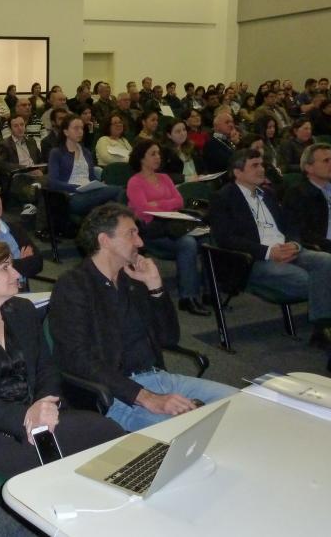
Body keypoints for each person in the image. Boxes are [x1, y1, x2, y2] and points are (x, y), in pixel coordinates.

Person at [0, 241, 125, 478]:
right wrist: (23, 417)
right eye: (5, 268)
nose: (16, 273)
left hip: (40, 413)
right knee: (50, 465)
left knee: (108, 431)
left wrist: (44, 405)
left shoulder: (23, 310)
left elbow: (46, 368)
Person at [49, 203, 236, 432]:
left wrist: (155, 287)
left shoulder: (132, 279)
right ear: (105, 240)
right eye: (131, 234)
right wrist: (145, 397)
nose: (140, 242)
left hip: (161, 380)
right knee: (193, 432)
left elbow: (168, 338)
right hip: (117, 394)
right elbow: (77, 358)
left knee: (240, 404)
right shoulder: (73, 286)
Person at [209, 149, 331, 380]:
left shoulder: (267, 194)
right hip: (256, 260)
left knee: (324, 261)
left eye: (262, 164)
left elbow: (291, 226)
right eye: (254, 165)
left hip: (288, 250)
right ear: (237, 172)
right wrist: (268, 252)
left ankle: (324, 328)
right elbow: (226, 238)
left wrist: (296, 244)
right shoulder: (224, 197)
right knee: (319, 282)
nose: (261, 169)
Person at [126, 140, 209, 315]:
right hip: (152, 232)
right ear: (142, 158)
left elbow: (179, 201)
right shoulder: (135, 182)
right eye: (153, 154)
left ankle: (211, 292)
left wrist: (158, 203)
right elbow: (143, 210)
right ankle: (188, 297)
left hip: (173, 226)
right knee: (188, 243)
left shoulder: (164, 178)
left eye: (159, 153)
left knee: (208, 239)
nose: (158, 157)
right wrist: (165, 205)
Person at [283, 143, 331, 283]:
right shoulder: (298, 194)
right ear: (308, 167)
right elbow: (302, 233)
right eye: (326, 161)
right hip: (328, 250)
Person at [47, 114, 121, 215]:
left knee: (116, 201)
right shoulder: (56, 153)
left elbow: (91, 178)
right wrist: (77, 188)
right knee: (117, 191)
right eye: (76, 128)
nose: (80, 131)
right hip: (71, 196)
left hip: (89, 192)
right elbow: (53, 182)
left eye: (81, 128)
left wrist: (99, 184)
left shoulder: (86, 152)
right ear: (66, 132)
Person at [0, 115, 45, 206]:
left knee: (51, 183)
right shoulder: (4, 144)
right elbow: (0, 164)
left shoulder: (31, 141)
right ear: (10, 129)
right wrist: (26, 169)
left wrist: (40, 170)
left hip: (36, 175)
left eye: (22, 125)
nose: (20, 128)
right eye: (16, 126)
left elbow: (41, 160)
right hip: (18, 176)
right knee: (37, 187)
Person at [160, 119, 203, 184]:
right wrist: (185, 178)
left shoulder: (192, 146)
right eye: (178, 131)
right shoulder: (163, 151)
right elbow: (162, 175)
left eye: (184, 130)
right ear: (169, 135)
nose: (183, 133)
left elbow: (202, 166)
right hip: (180, 186)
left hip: (198, 182)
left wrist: (204, 175)